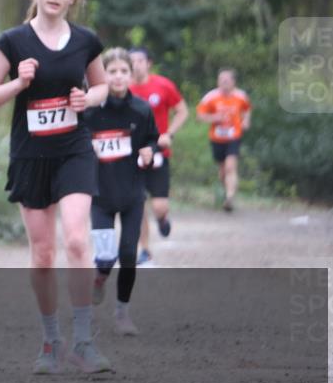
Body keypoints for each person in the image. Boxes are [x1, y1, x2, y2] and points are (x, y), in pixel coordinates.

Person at [0, 0, 110, 374]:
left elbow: (102, 86)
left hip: (74, 150)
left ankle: (85, 342)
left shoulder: (86, 40)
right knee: (43, 253)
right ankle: (51, 342)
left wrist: (87, 100)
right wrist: (18, 83)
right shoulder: (13, 42)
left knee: (75, 240)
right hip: (31, 156)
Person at [82, 48, 159, 335]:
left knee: (128, 254)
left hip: (131, 193)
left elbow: (152, 138)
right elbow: (75, 139)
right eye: (111, 71)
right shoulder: (90, 111)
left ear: (131, 75)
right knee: (105, 257)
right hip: (99, 194)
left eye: (123, 71)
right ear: (103, 75)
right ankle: (100, 278)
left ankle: (122, 313)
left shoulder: (140, 109)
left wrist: (149, 151)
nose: (117, 77)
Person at [129, 47, 188, 265]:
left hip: (159, 152)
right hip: (132, 156)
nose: (135, 64)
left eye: (140, 60)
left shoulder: (163, 85)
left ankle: (163, 219)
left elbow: (182, 110)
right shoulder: (122, 88)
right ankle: (144, 249)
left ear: (148, 63)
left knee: (159, 206)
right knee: (137, 203)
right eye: (131, 61)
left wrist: (169, 134)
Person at [196, 68, 251, 212]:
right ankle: (228, 191)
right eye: (220, 80)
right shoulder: (210, 97)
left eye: (226, 80)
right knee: (222, 171)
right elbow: (200, 116)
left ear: (233, 81)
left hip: (234, 136)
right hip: (217, 138)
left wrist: (246, 121)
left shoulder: (241, 96)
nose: (223, 83)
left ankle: (230, 197)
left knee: (230, 167)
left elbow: (246, 109)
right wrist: (214, 118)